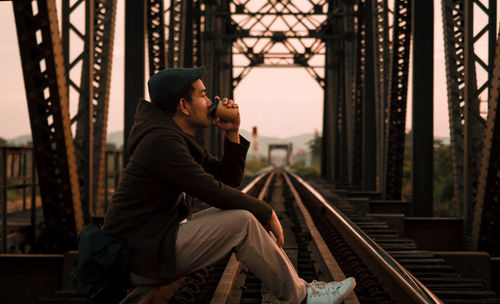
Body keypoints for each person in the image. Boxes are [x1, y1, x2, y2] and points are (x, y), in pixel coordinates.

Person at [101, 67, 356, 303]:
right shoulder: (162, 143)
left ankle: (302, 290)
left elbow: (228, 179)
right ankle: (302, 296)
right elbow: (212, 190)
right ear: (184, 106)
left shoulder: (171, 137)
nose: (211, 102)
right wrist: (265, 211)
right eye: (203, 95)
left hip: (150, 244)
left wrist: (232, 132)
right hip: (136, 254)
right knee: (242, 221)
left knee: (240, 214)